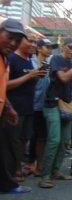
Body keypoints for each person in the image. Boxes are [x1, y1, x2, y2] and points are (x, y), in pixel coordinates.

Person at [39, 38, 72, 188]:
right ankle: (45, 175)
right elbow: (63, 78)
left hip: (66, 105)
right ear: (63, 46)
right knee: (55, 140)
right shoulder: (57, 58)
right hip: (52, 103)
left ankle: (55, 171)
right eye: (71, 47)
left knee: (65, 141)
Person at [7, 32, 47, 182]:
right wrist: (29, 76)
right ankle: (11, 173)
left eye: (35, 42)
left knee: (23, 140)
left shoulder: (30, 61)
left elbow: (28, 85)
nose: (33, 45)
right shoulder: (11, 59)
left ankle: (17, 168)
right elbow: (5, 85)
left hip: (29, 107)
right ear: (20, 41)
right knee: (13, 141)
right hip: (13, 108)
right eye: (30, 41)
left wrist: (36, 78)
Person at [0, 18, 32, 194]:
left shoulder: (5, 59)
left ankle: (7, 184)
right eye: (9, 37)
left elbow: (1, 88)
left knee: (7, 150)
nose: (13, 43)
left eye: (17, 40)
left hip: (4, 111)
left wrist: (8, 108)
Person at [27, 39, 58, 177]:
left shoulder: (49, 65)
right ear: (39, 49)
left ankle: (39, 165)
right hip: (29, 106)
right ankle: (28, 163)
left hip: (44, 106)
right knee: (26, 137)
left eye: (52, 47)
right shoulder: (31, 63)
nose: (50, 49)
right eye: (48, 47)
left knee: (41, 137)